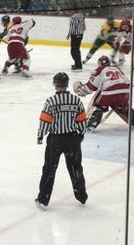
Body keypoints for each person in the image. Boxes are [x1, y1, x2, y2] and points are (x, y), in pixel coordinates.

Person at [35, 72, 89, 210]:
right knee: (76, 168)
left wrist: (40, 135)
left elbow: (45, 120)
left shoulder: (51, 102)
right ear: (67, 84)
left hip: (55, 141)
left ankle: (43, 199)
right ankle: (81, 196)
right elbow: (82, 120)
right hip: (72, 139)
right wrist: (81, 133)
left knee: (49, 169)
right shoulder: (76, 101)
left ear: (55, 84)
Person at [74, 55, 134, 131]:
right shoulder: (117, 68)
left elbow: (92, 87)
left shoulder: (99, 69)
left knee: (99, 105)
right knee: (122, 107)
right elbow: (127, 81)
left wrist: (81, 90)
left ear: (100, 63)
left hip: (109, 93)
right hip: (125, 92)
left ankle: (91, 123)